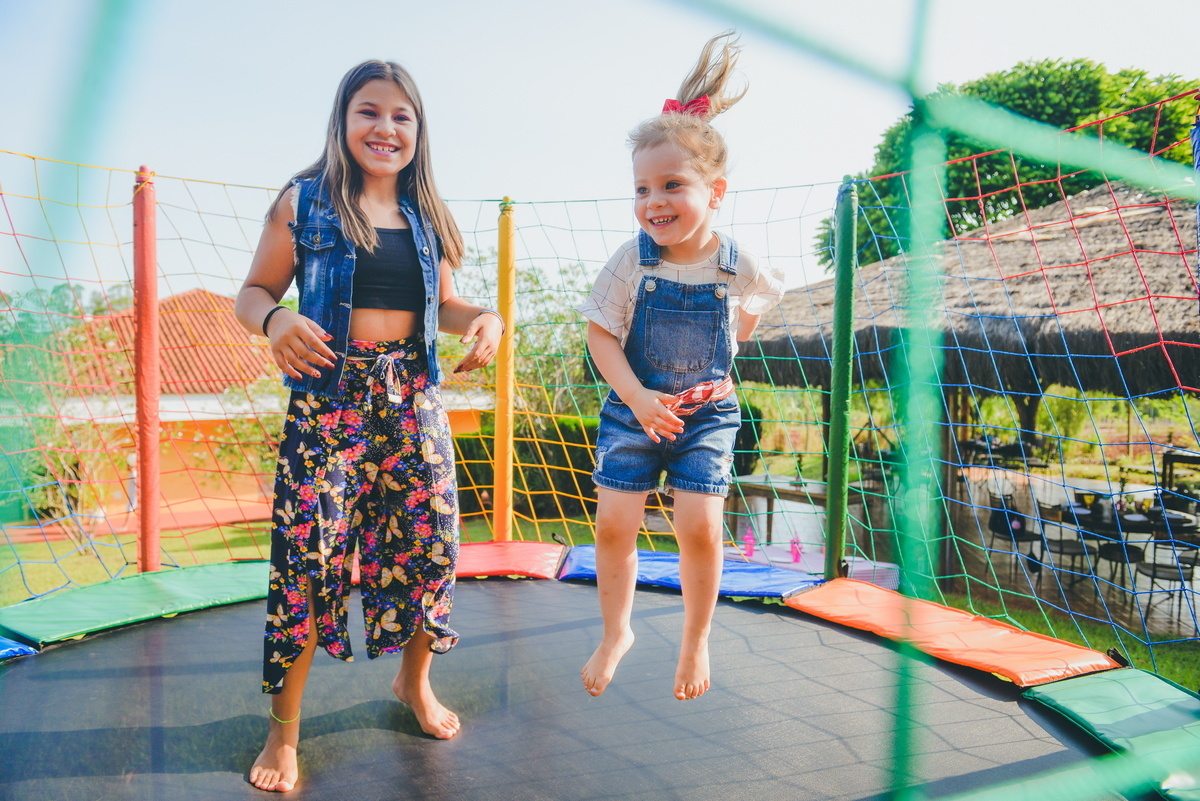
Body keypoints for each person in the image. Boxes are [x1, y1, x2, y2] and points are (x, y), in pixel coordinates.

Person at [234, 59, 504, 793]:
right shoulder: (306, 200)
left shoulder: (427, 215)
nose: (385, 127)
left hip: (413, 402)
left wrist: (484, 316)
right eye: (369, 111)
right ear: (342, 120)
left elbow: (441, 307)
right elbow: (252, 291)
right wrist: (278, 315)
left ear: (419, 130)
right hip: (329, 405)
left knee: (432, 549)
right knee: (308, 565)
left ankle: (413, 684)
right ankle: (283, 732)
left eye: (401, 116)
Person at [575, 32, 783, 701]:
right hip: (636, 410)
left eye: (671, 185)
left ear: (714, 191)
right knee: (614, 525)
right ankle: (617, 630)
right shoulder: (633, 259)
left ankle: (696, 638)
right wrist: (635, 396)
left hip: (705, 415)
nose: (653, 201)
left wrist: (739, 337)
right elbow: (599, 334)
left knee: (699, 524)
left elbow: (765, 294)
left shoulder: (733, 259)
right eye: (641, 187)